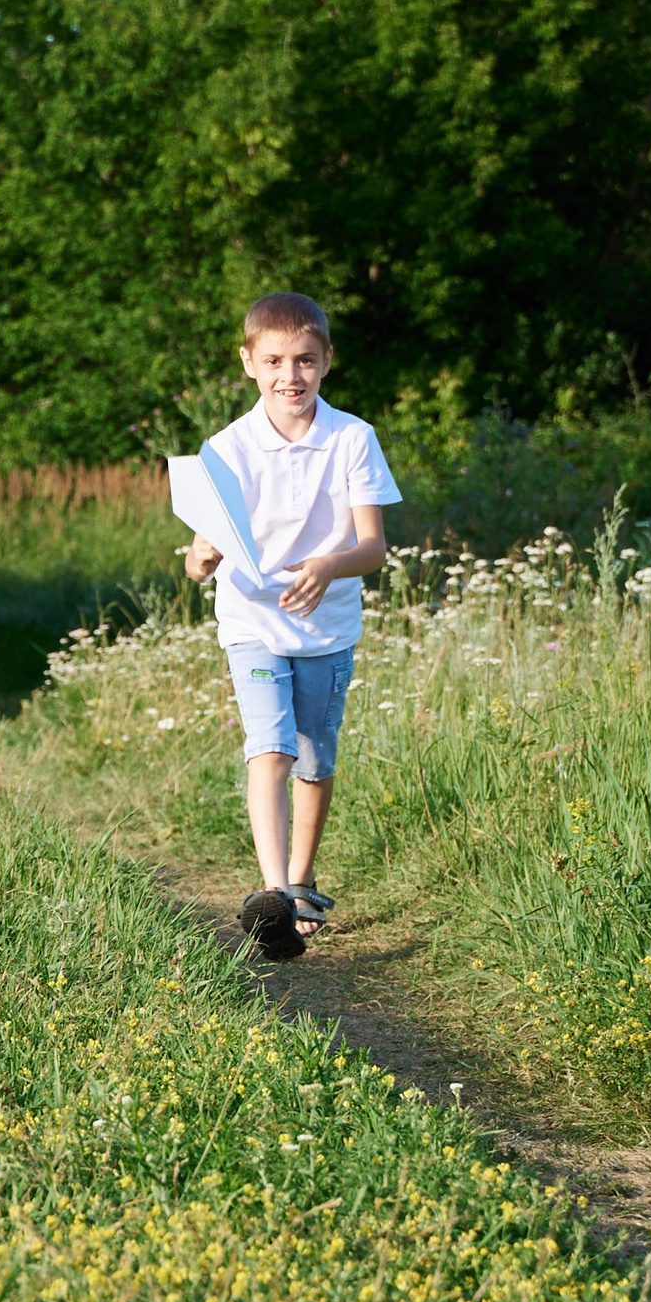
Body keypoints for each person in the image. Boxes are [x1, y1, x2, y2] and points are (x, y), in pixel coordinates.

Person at [178, 292, 398, 959]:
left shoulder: (352, 438)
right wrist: (201, 555)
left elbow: (374, 547)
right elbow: (197, 559)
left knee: (313, 755)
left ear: (327, 361)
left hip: (327, 627)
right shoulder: (224, 448)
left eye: (304, 360)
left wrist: (330, 564)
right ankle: (273, 897)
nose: (290, 375)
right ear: (248, 362)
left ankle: (300, 879)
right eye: (273, 360)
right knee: (268, 745)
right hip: (252, 621)